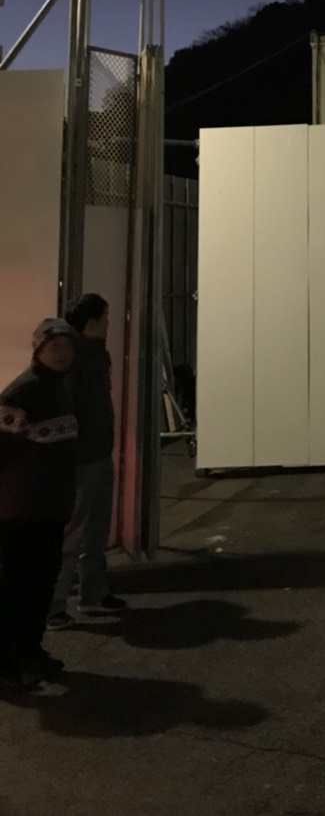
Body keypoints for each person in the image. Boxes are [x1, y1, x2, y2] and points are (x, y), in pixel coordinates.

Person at [0, 319, 79, 687]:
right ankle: (6, 662)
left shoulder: (58, 388)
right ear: (38, 350)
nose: (62, 354)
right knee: (16, 587)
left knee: (42, 584)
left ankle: (30, 650)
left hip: (50, 508)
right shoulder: (23, 392)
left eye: (67, 346)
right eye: (54, 347)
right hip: (20, 511)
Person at [48, 293, 127, 628]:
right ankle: (54, 606)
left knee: (95, 529)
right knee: (73, 532)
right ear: (92, 322)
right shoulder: (73, 357)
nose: (110, 323)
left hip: (98, 452)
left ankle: (93, 591)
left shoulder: (95, 353)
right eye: (106, 317)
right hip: (82, 458)